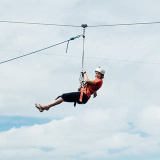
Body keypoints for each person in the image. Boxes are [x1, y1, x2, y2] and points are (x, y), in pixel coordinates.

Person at [35, 67, 105, 112]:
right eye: (96, 73)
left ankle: (46, 106)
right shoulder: (96, 81)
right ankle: (45, 107)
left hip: (84, 96)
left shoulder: (99, 81)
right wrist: (82, 87)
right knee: (61, 97)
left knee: (64, 96)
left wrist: (85, 73)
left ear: (101, 75)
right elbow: (89, 86)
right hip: (83, 96)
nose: (96, 75)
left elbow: (87, 81)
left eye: (98, 74)